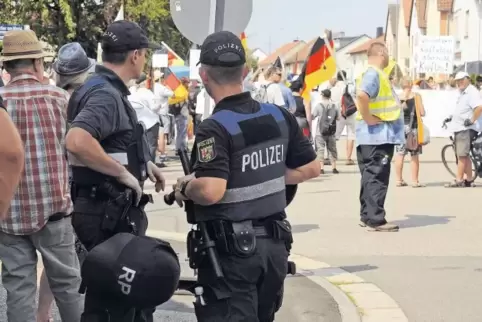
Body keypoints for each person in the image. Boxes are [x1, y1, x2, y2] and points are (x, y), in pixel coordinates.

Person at [171, 31, 320, 322]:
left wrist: (185, 188)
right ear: (244, 71)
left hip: (232, 254)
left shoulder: (215, 127)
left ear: (203, 75)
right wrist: (268, 176)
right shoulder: (279, 116)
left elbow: (212, 190)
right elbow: (312, 168)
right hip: (275, 248)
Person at [65, 20, 166, 321]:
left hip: (102, 210)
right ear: (135, 55)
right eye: (145, 54)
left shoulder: (103, 88)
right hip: (105, 213)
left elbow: (109, 143)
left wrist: (142, 163)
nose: (145, 60)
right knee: (112, 306)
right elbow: (78, 140)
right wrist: (121, 174)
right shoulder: (106, 94)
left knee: (116, 302)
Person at [0, 30, 83, 322]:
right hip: (54, 210)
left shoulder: (1, 102)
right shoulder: (60, 98)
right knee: (68, 286)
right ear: (37, 62)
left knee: (18, 289)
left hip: (7, 213)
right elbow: (75, 149)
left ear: (7, 67)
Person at [36, 41, 95, 322]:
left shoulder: (53, 98)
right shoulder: (83, 102)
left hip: (51, 187)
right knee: (66, 265)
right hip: (76, 188)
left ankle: (42, 312)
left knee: (55, 260)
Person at [355, 42, 404, 232]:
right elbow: (362, 95)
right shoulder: (374, 73)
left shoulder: (365, 72)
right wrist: (368, 117)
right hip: (378, 136)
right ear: (382, 53)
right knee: (377, 177)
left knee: (369, 176)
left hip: (368, 136)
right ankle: (376, 219)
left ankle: (367, 215)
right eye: (388, 53)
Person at [444, 72, 482, 187]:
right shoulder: (463, 92)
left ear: (468, 79)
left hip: (465, 128)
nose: (459, 82)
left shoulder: (472, 92)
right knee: (464, 155)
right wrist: (451, 117)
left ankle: (459, 179)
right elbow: (463, 109)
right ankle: (469, 179)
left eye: (461, 80)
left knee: (462, 155)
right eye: (457, 81)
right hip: (460, 127)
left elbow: (479, 107)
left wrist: (471, 120)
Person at [394, 78, 426, 188]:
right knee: (414, 155)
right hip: (413, 128)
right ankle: (415, 181)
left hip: (400, 128)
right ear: (411, 84)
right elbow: (422, 112)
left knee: (400, 154)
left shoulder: (397, 97)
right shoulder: (416, 96)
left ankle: (398, 180)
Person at [0, 95, 24, 217]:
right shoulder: (60, 97)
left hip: (11, 220)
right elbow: (10, 152)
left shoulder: (5, 95)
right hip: (51, 208)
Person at [128, 73, 160, 162]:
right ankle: (150, 167)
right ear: (145, 81)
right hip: (150, 123)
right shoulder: (147, 92)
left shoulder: (130, 92)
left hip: (137, 123)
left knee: (140, 147)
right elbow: (155, 107)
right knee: (151, 147)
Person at [331, 70, 357, 165]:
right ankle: (348, 158)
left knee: (334, 136)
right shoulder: (350, 87)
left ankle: (332, 157)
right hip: (351, 113)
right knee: (351, 135)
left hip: (339, 114)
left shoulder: (334, 88)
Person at [312, 89, 340, 174]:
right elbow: (338, 118)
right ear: (330, 96)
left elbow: (313, 116)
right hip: (331, 131)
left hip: (320, 132)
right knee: (332, 149)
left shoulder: (319, 106)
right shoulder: (335, 106)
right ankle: (334, 168)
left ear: (322, 95)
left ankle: (321, 168)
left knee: (320, 149)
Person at [153, 70, 174, 165]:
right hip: (162, 113)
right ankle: (162, 153)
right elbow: (172, 94)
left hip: (153, 113)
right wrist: (168, 86)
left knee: (155, 134)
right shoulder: (161, 88)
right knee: (162, 134)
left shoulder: (151, 88)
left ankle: (157, 153)